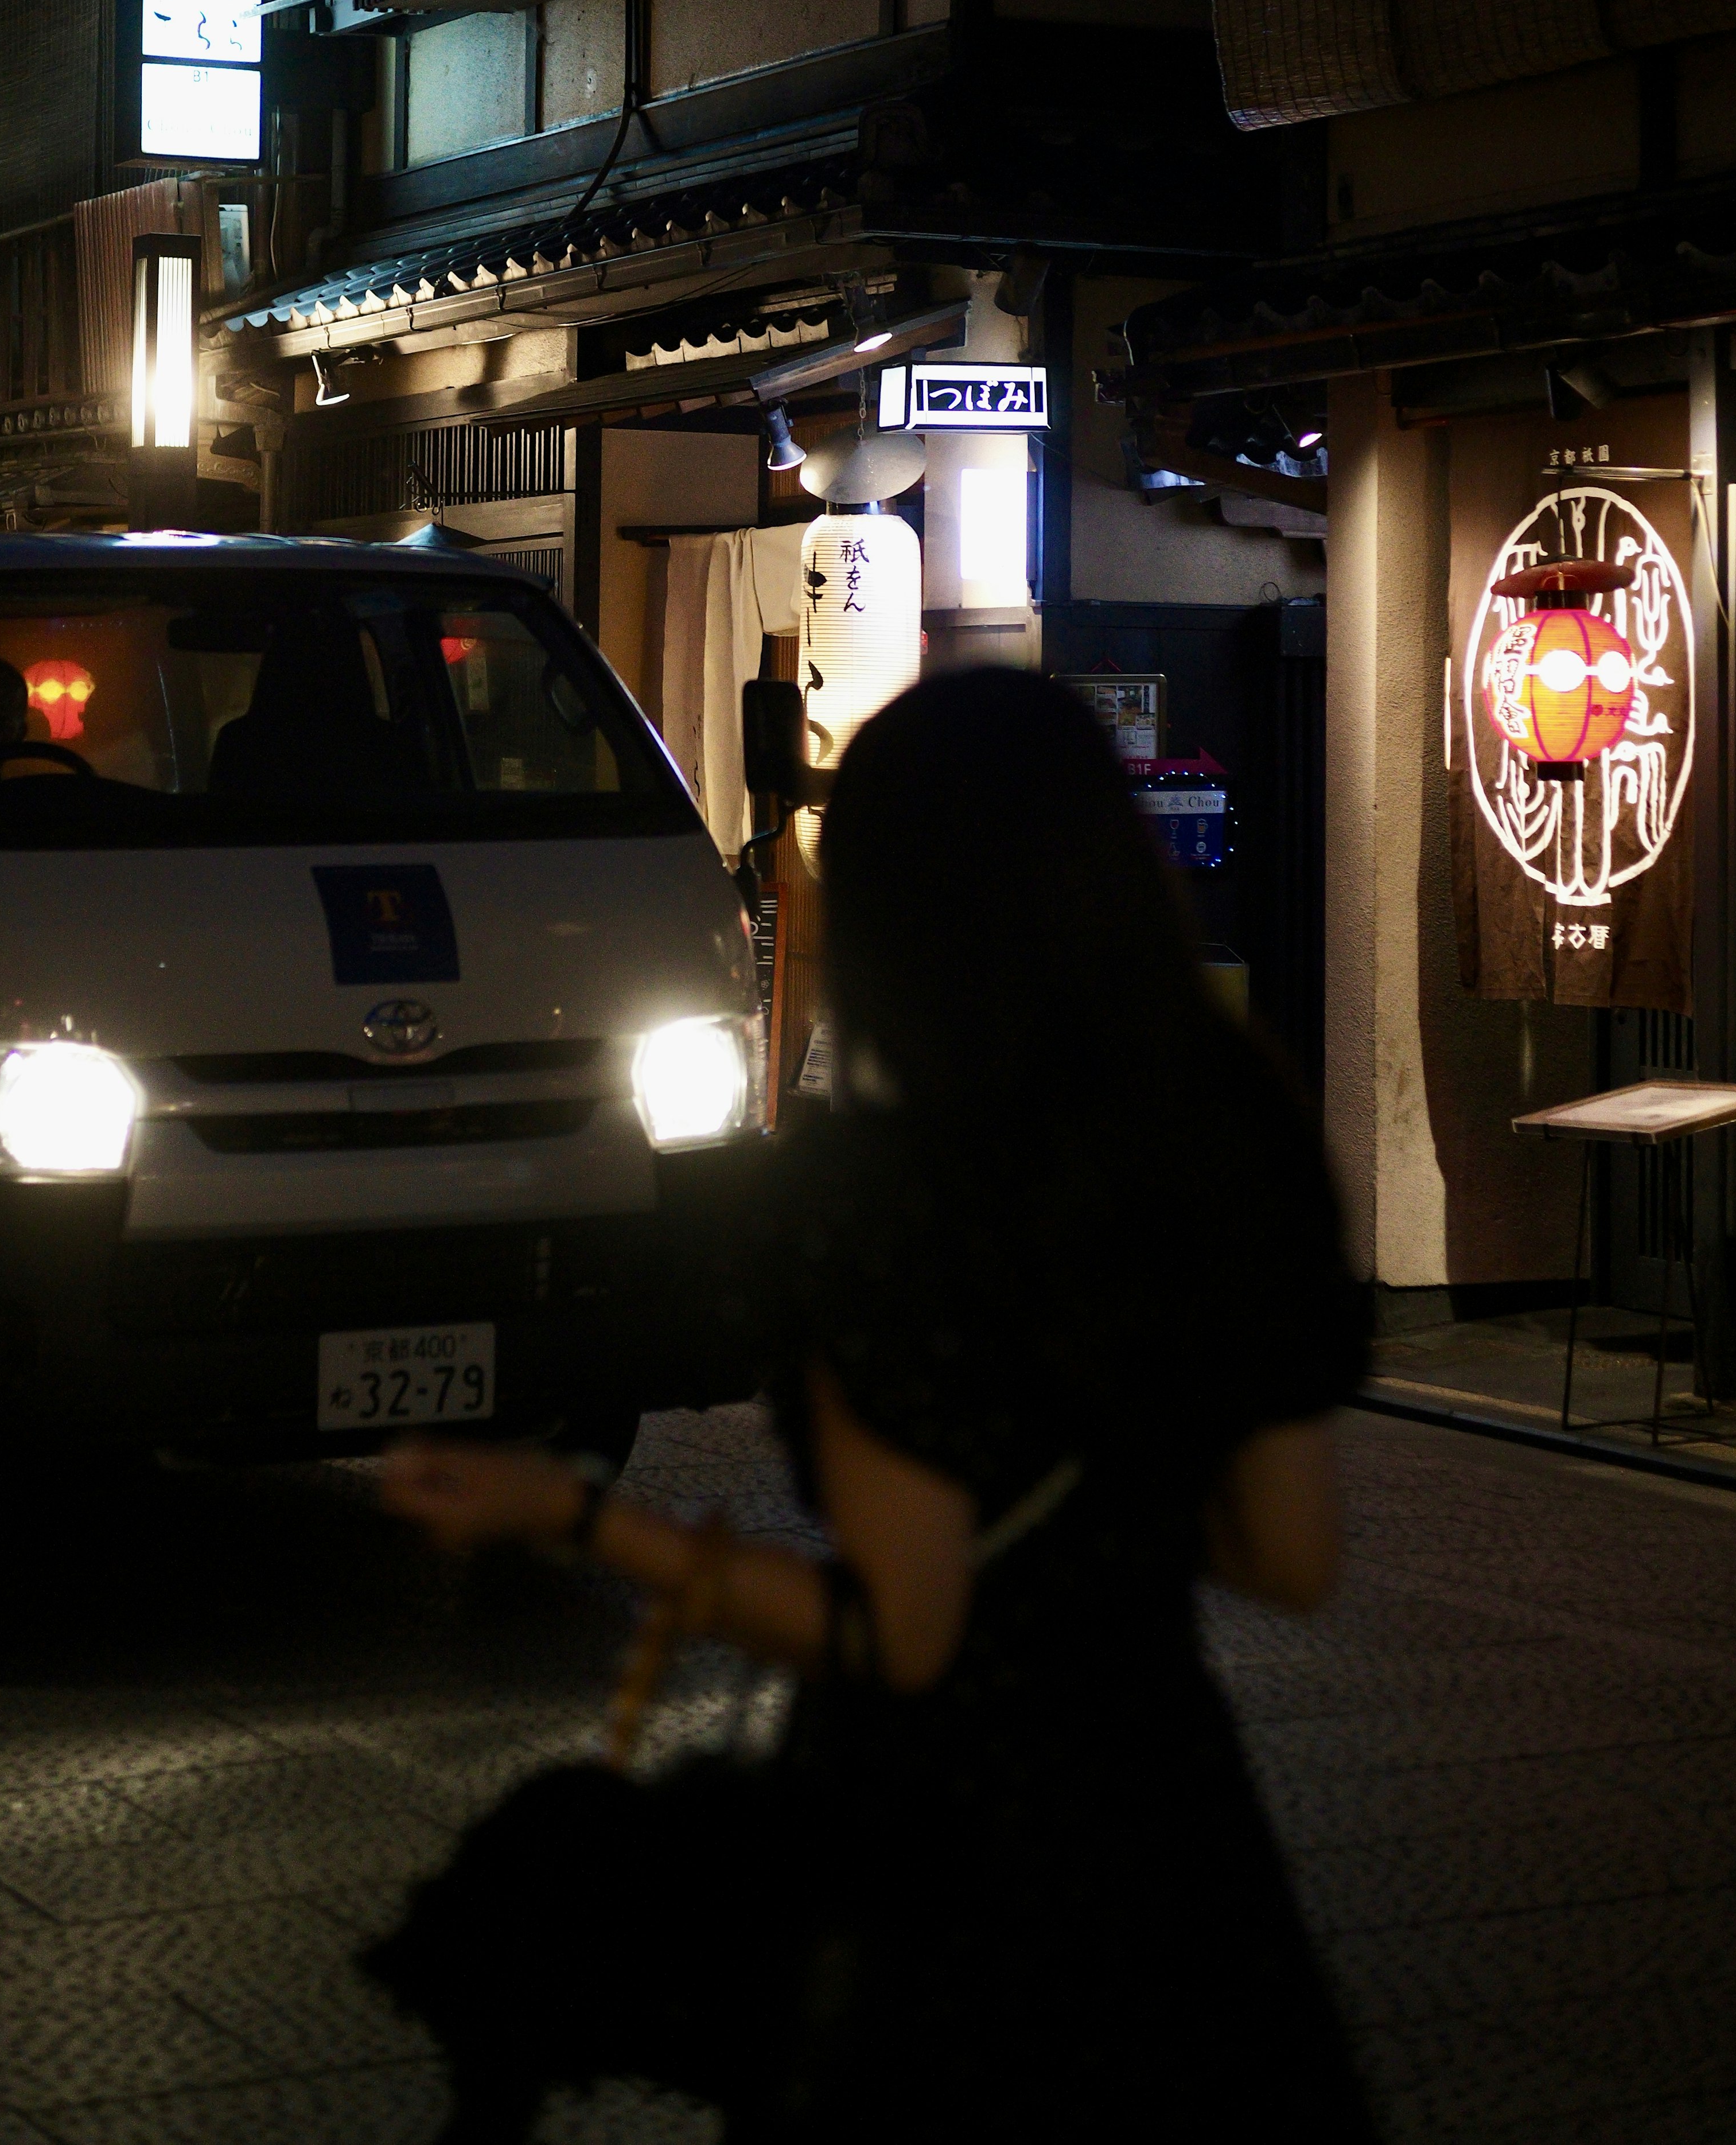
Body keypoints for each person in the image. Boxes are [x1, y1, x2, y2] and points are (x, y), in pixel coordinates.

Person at [378, 668, 1372, 2139]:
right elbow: (1288, 1558)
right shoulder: (1240, 1136)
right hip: (1179, 1854)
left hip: (944, 1885)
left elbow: (901, 1639)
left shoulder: (880, 1204)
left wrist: (570, 1511)